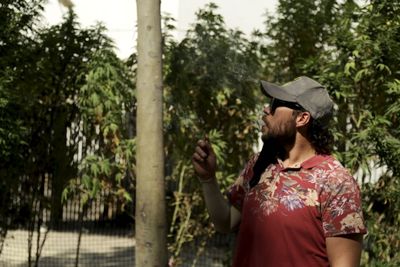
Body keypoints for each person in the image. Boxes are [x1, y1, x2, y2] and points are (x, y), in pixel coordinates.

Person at [192, 76, 367, 267]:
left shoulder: (335, 180)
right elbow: (226, 223)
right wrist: (208, 178)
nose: (266, 110)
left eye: (275, 105)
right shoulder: (259, 164)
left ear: (302, 118)